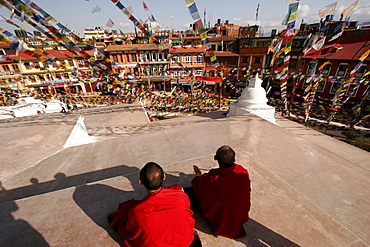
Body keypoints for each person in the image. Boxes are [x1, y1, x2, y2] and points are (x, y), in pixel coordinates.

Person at [108, 162, 199, 247]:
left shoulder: (138, 211)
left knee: (121, 218)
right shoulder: (180, 196)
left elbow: (130, 229)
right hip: (184, 242)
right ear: (164, 177)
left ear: (140, 182)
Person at [186, 145, 251, 239]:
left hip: (221, 222)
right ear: (234, 159)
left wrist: (197, 176)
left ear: (215, 158)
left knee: (188, 192)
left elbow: (197, 187)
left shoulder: (211, 179)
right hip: (240, 217)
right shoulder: (243, 172)